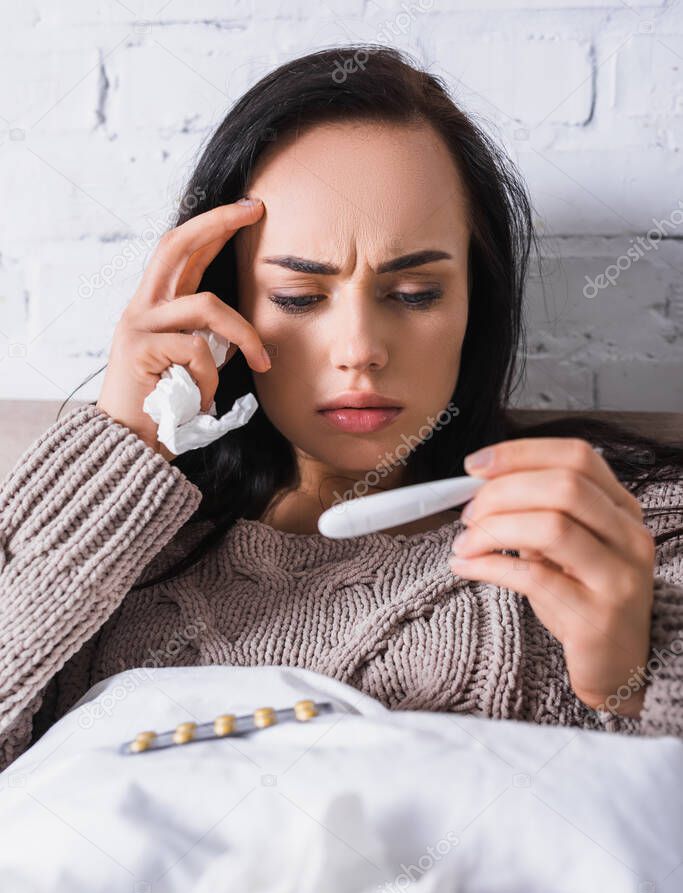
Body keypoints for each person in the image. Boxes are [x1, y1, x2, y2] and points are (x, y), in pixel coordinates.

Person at [2, 45, 682, 773]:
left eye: (415, 293)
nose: (359, 349)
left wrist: (634, 674)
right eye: (299, 298)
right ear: (224, 302)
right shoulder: (123, 552)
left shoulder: (626, 528)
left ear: (474, 302)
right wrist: (122, 445)